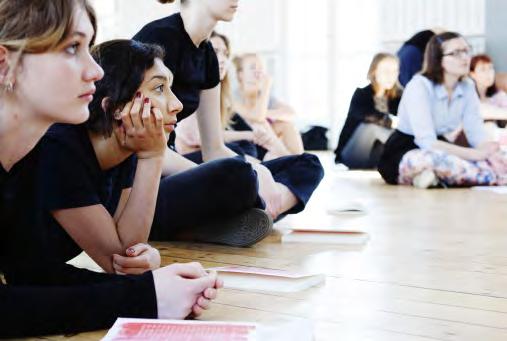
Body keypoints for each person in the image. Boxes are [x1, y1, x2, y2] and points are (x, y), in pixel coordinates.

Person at [0, 1, 219, 337]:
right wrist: (145, 297)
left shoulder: (24, 160)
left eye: (88, 47)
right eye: (73, 47)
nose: (97, 71)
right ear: (5, 65)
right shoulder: (58, 147)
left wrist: (154, 286)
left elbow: (32, 274)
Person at [133, 0, 323, 228]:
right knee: (238, 174)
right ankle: (243, 213)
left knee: (308, 164)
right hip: (142, 181)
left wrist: (256, 169)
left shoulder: (208, 56)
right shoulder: (158, 39)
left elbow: (214, 149)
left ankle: (258, 212)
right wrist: (243, 173)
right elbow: (141, 146)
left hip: (175, 168)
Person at [378, 32, 507, 188]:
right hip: (406, 151)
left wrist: (489, 150)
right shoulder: (419, 86)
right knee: (434, 160)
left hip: (443, 146)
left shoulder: (467, 87)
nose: (465, 57)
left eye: (466, 51)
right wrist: (475, 155)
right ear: (438, 60)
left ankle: (432, 178)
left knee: (498, 157)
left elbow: (476, 134)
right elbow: (427, 142)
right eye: (456, 53)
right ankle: (494, 178)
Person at [334, 53, 402, 169]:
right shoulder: (361, 94)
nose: (391, 76)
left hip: (377, 159)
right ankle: (406, 158)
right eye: (386, 71)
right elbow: (363, 114)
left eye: (394, 71)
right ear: (374, 71)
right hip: (353, 154)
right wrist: (390, 121)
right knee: (372, 128)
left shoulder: (399, 97)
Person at [233, 52, 305, 160]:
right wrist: (266, 86)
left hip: (264, 139)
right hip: (242, 141)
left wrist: (267, 113)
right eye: (252, 67)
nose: (258, 71)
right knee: (261, 122)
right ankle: (289, 159)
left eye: (260, 67)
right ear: (241, 74)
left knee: (286, 124)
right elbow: (257, 117)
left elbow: (291, 113)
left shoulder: (263, 95)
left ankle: (299, 159)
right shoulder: (233, 97)